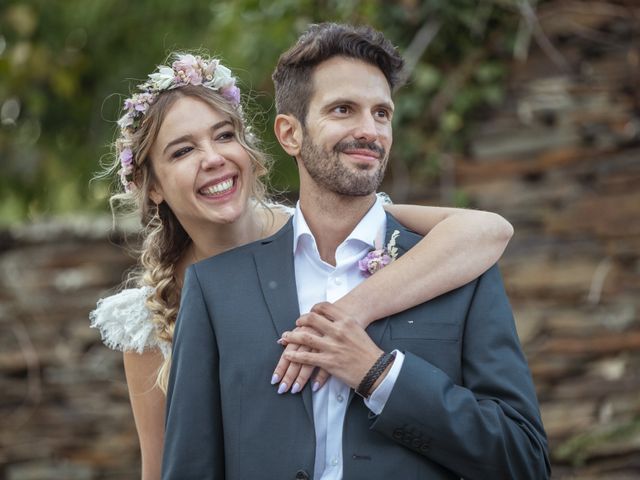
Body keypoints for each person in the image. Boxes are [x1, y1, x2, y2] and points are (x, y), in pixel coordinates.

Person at [89, 49, 513, 480]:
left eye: (224, 136)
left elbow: (485, 231)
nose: (212, 158)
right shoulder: (149, 316)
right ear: (150, 185)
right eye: (182, 151)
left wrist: (351, 311)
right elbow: (164, 468)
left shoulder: (326, 231)